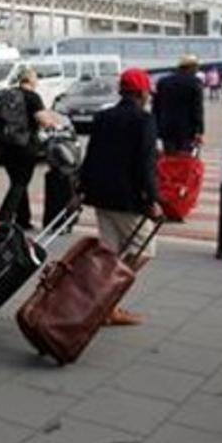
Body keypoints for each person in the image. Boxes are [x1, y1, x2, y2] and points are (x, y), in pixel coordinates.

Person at [79, 68, 162, 326]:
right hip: (128, 200)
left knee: (110, 254)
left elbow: (91, 155)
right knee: (144, 250)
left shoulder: (103, 117)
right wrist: (152, 199)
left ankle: (102, 306)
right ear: (141, 93)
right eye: (147, 92)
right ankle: (107, 304)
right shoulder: (144, 120)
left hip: (100, 195)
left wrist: (81, 189)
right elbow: (145, 164)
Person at [0, 68, 59, 230]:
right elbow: (43, 120)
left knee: (17, 181)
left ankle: (23, 219)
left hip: (6, 145)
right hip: (25, 146)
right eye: (36, 78)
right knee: (20, 182)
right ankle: (3, 219)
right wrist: (54, 123)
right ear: (30, 80)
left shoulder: (8, 95)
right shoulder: (32, 97)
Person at [153, 55, 204, 153]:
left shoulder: (163, 82)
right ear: (191, 67)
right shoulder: (195, 82)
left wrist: (155, 127)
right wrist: (199, 130)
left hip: (166, 128)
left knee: (169, 158)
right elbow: (197, 108)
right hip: (187, 130)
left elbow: (156, 107)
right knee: (184, 159)